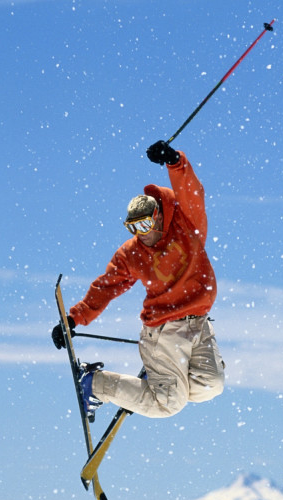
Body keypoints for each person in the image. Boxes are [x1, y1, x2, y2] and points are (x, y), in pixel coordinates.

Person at [52, 140, 225, 419]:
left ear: (158, 218)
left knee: (211, 385)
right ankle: (96, 384)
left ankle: (158, 383)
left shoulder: (186, 225)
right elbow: (106, 286)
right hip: (163, 330)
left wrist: (174, 161)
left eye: (144, 225)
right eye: (133, 227)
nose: (141, 233)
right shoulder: (132, 253)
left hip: (198, 322)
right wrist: (74, 319)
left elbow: (192, 192)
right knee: (168, 404)